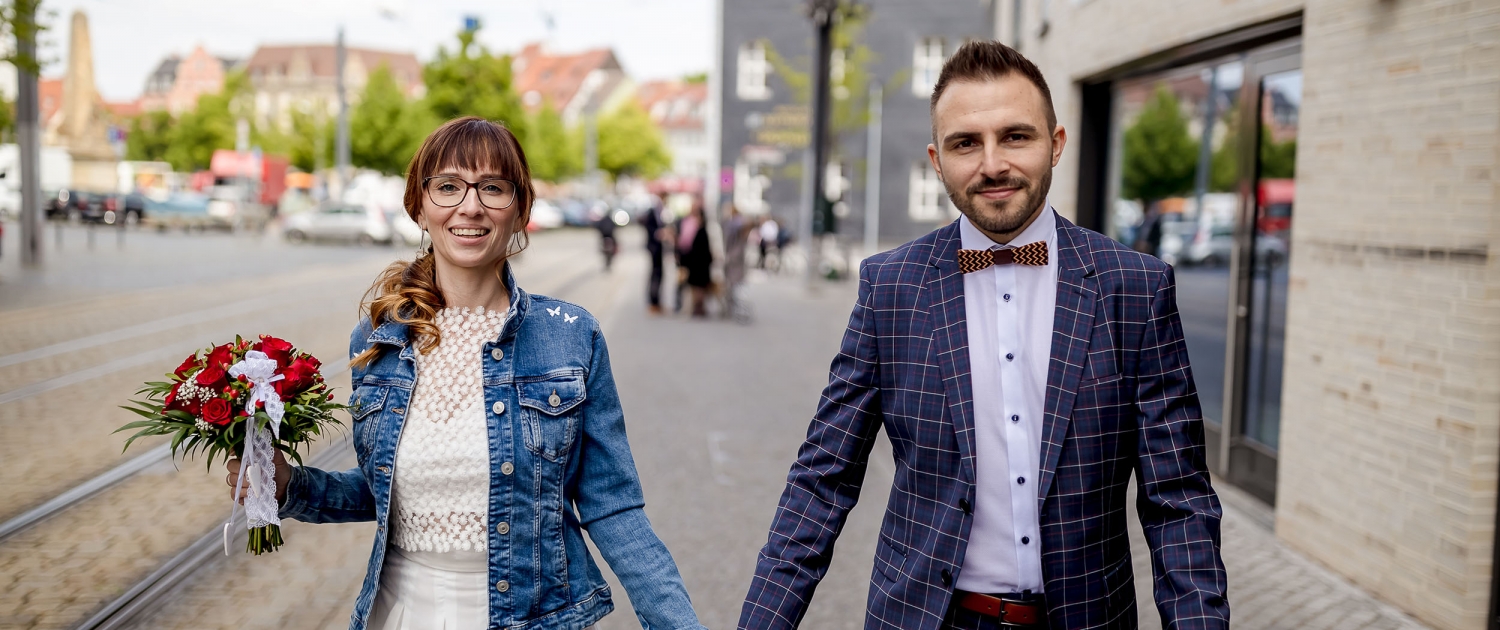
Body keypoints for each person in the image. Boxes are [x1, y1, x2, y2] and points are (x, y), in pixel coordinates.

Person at [740, 42, 1228, 630]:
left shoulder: (1135, 287)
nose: (992, 163)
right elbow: (822, 480)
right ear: (937, 159)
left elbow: (1177, 500)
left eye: (1015, 136)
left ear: (1056, 143)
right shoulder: (890, 286)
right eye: (965, 142)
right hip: (924, 618)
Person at [226, 117, 705, 630]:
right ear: (419, 205)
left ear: (520, 210)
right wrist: (290, 485)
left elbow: (614, 508)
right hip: (402, 612)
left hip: (531, 619)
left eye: (492, 188)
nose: (470, 206)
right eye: (448, 186)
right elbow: (386, 490)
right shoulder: (376, 341)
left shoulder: (570, 336)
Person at [674, 201, 713, 318]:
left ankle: (698, 307)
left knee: (698, 286)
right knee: (693, 285)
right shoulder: (688, 224)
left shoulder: (700, 229)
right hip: (692, 260)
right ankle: (695, 307)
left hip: (699, 261)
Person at [720, 202, 752, 318]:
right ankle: (735, 309)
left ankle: (736, 309)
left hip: (734, 259)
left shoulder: (735, 224)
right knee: (735, 286)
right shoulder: (738, 225)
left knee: (734, 286)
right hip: (736, 259)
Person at [640, 195, 669, 314]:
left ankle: (657, 302)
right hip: (654, 248)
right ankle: (653, 302)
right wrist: (658, 233)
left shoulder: (660, 213)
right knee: (655, 274)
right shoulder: (652, 212)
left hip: (659, 248)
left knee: (659, 274)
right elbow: (649, 227)